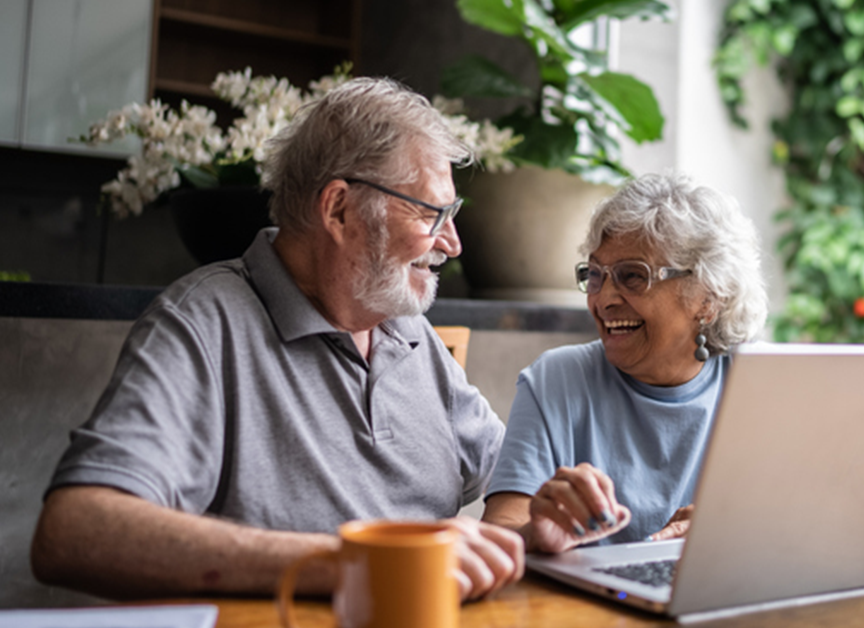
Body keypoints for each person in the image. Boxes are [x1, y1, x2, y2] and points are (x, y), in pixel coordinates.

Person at [30, 78, 523, 600]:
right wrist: (357, 564)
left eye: (452, 213)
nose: (452, 241)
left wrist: (536, 529)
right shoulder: (204, 322)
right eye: (430, 213)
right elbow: (74, 532)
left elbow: (515, 481)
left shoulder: (406, 328)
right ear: (338, 209)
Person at [481, 173, 769, 553]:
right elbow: (498, 535)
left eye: (633, 276)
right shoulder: (556, 379)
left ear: (708, 298)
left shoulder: (757, 387)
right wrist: (535, 534)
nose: (604, 299)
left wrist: (733, 534)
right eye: (595, 275)